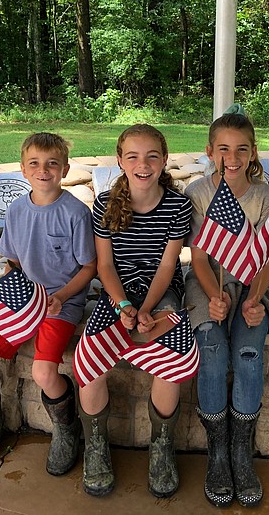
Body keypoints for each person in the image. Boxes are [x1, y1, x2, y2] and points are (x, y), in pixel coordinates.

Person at [0, 132, 97, 477]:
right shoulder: (17, 210)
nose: (44, 170)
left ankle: (67, 429)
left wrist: (64, 296)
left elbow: (89, 267)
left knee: (43, 371)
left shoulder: (75, 213)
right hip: (22, 300)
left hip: (59, 305)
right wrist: (5, 289)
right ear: (22, 170)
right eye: (34, 163)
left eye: (53, 163)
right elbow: (13, 262)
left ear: (65, 169)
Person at [79, 123, 193, 498]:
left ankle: (161, 446)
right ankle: (95, 445)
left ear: (163, 161)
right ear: (120, 160)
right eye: (133, 157)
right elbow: (105, 266)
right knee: (89, 357)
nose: (142, 165)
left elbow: (167, 265)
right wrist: (124, 304)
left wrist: (145, 309)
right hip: (118, 291)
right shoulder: (104, 204)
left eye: (152, 157)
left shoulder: (177, 205)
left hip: (161, 293)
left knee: (175, 355)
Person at [184, 105, 269, 508]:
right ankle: (218, 453)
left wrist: (255, 301)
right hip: (207, 285)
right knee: (211, 352)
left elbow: (266, 257)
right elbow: (198, 255)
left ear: (253, 152)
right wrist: (213, 296)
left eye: (241, 149)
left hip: (251, 286)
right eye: (223, 149)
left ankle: (241, 452)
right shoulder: (199, 192)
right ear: (210, 151)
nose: (232, 158)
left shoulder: (264, 196)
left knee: (246, 354)